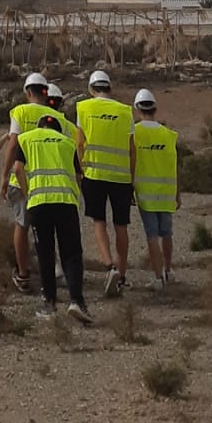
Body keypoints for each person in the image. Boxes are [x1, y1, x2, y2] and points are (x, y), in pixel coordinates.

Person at [2, 110, 91, 325]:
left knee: (45, 252)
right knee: (71, 253)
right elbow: (79, 176)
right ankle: (77, 301)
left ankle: (49, 302)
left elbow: (18, 168)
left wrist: (27, 192)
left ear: (40, 127)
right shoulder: (67, 143)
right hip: (66, 202)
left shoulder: (26, 138)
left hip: (39, 202)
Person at [76, 68, 136, 296]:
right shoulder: (125, 111)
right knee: (121, 225)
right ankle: (121, 275)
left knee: (98, 221)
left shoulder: (84, 107)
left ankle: (109, 264)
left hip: (94, 175)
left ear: (92, 89)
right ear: (110, 88)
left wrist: (81, 170)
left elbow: (80, 143)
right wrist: (131, 179)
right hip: (121, 177)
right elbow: (132, 150)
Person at [3, 72, 54, 292]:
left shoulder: (20, 112)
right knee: (45, 230)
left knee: (22, 226)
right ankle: (49, 273)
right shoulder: (55, 115)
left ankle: (23, 275)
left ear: (27, 92)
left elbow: (13, 145)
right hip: (45, 180)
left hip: (21, 177)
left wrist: (4, 176)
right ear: (46, 92)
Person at [131, 89, 179, 287]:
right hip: (167, 193)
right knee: (166, 233)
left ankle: (158, 278)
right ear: (155, 109)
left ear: (137, 109)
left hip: (146, 194)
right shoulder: (168, 135)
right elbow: (176, 166)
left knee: (152, 235)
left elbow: (131, 161)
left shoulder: (135, 134)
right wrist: (178, 193)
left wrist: (130, 188)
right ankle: (168, 270)